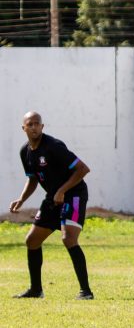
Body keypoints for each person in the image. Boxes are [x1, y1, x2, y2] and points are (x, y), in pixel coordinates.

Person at [9, 112, 93, 299]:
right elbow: (32, 179)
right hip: (53, 197)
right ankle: (36, 290)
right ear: (24, 128)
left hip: (74, 194)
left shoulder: (53, 146)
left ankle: (86, 292)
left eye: (37, 124)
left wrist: (62, 190)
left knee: (68, 238)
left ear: (42, 126)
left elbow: (83, 169)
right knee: (32, 241)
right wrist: (21, 199)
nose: (33, 127)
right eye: (29, 124)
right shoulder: (26, 152)